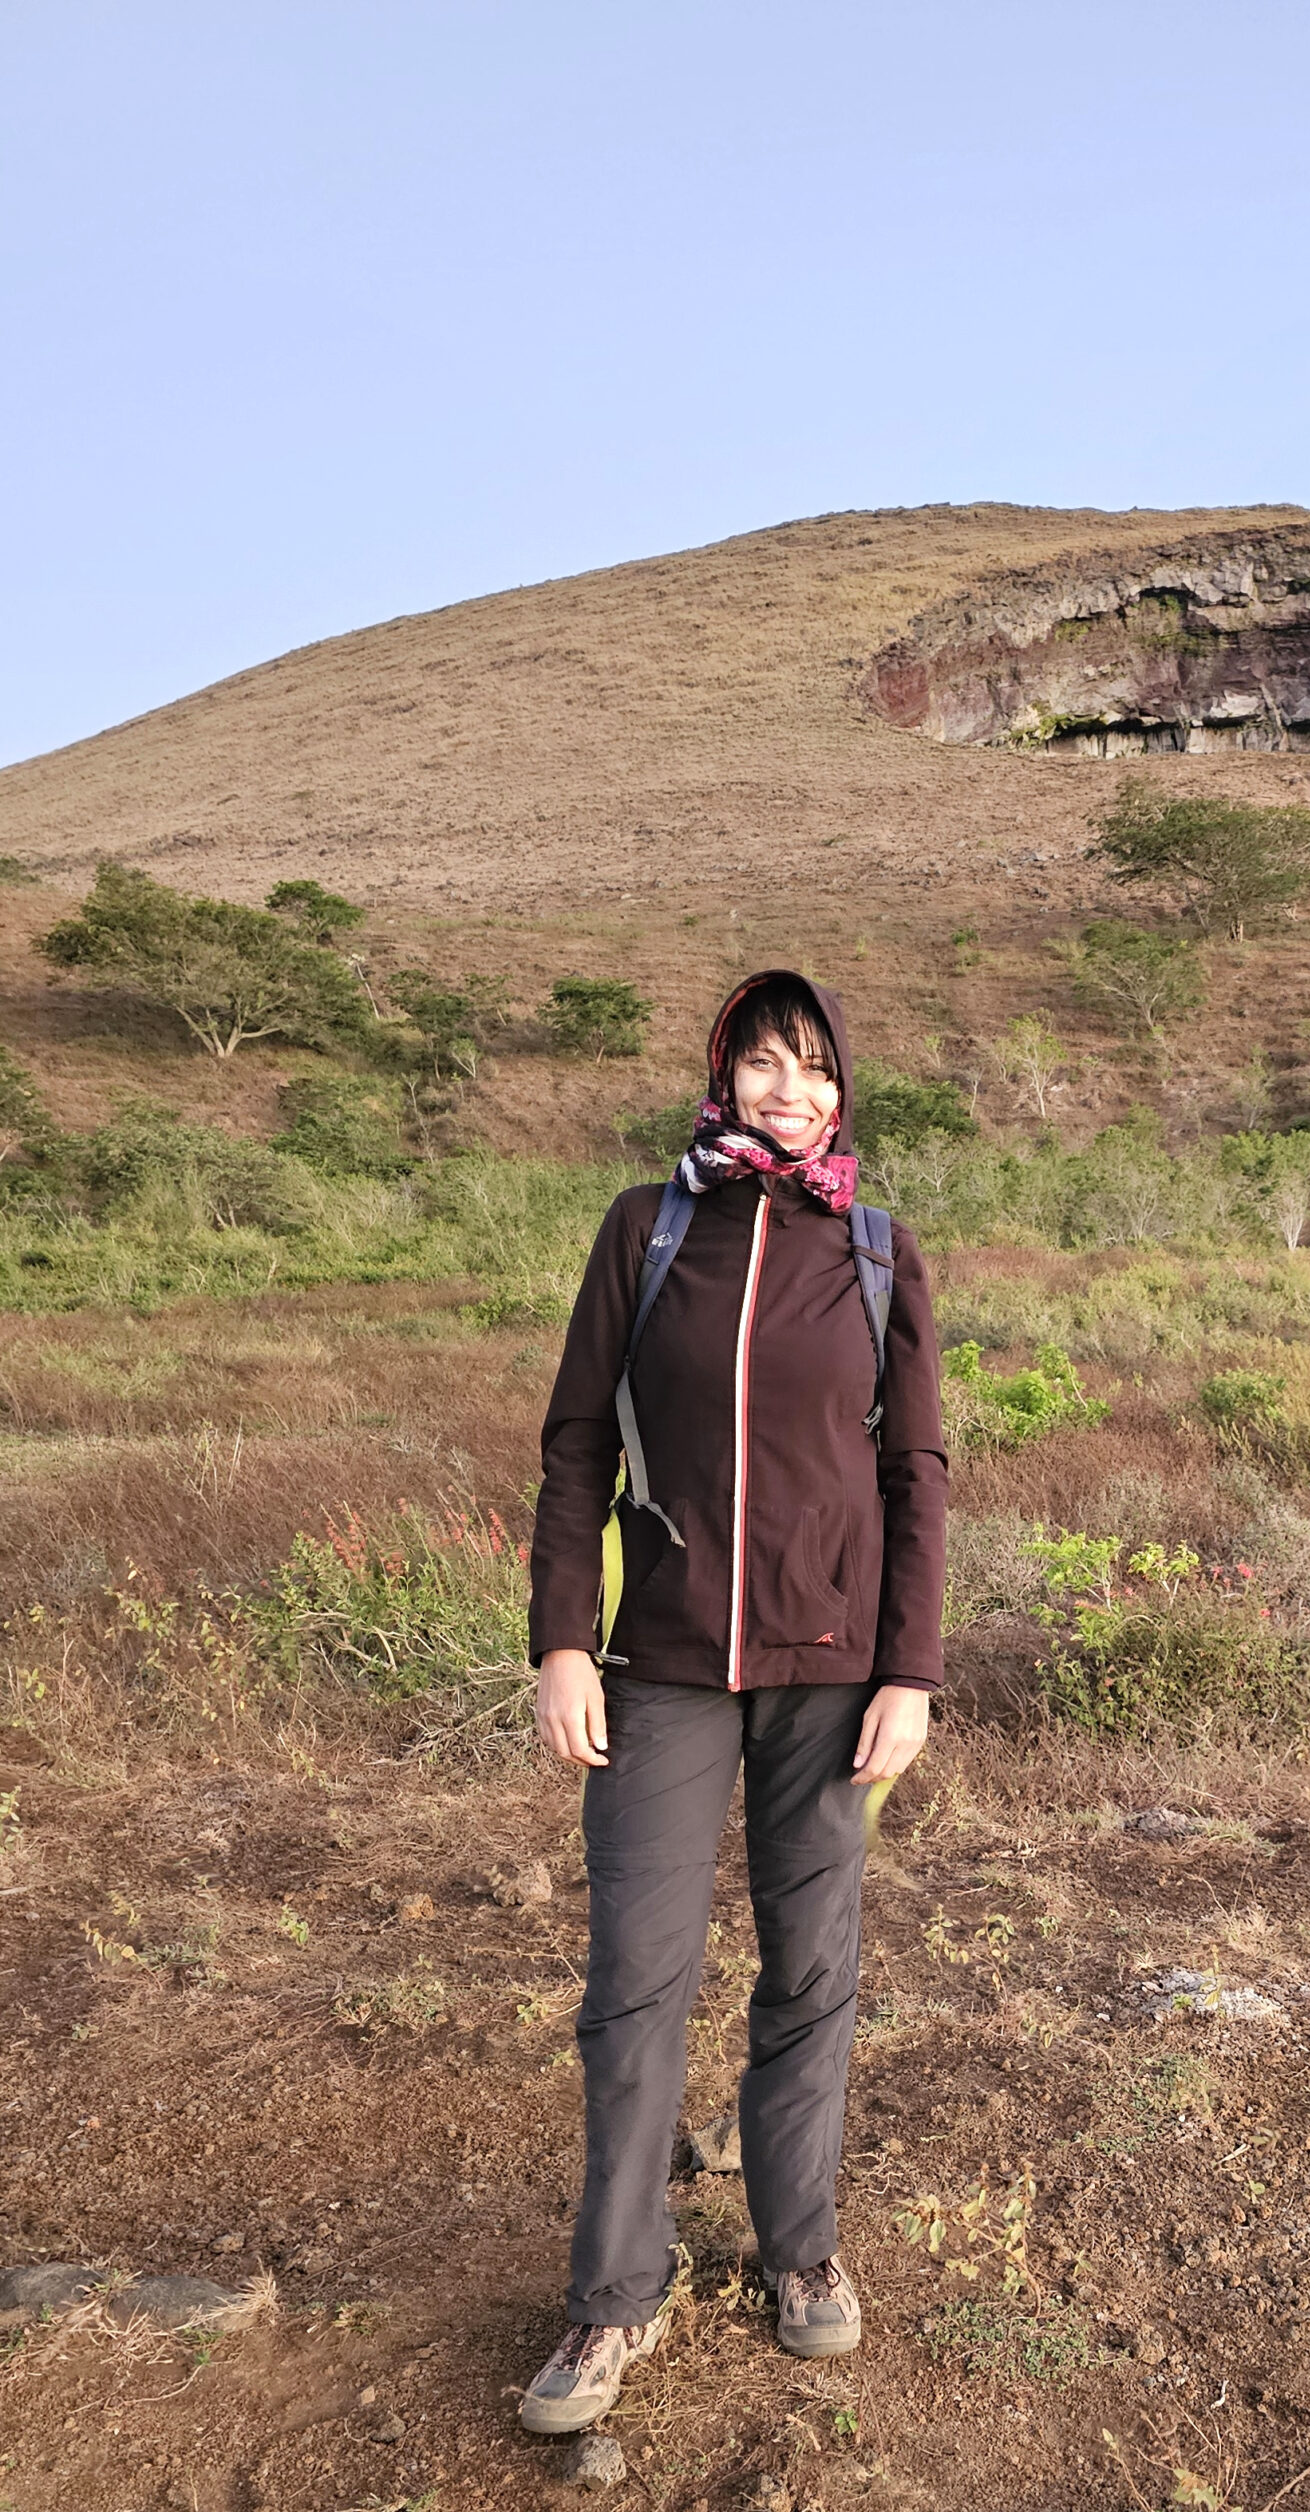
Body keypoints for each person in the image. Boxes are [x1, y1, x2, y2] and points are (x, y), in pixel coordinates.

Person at [516, 970, 946, 2438]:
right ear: (724, 1075)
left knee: (810, 1974)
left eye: (812, 1065)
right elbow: (578, 1442)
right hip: (663, 1665)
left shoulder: (876, 1251)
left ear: (841, 1092)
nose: (786, 1086)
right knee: (636, 1979)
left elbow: (916, 1477)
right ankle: (608, 2301)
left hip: (833, 1678)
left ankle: (798, 2247)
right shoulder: (652, 1227)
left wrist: (913, 1671)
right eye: (760, 1061)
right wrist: (561, 1643)